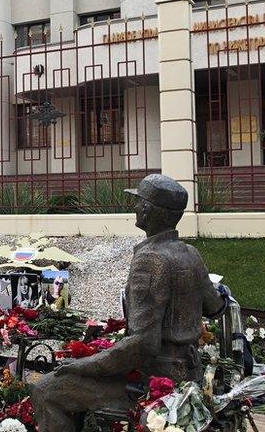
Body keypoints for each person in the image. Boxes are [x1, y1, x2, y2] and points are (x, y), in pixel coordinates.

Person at [31, 175, 228, 432]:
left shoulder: (150, 260)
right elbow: (215, 307)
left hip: (154, 382)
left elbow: (143, 344)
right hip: (191, 371)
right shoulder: (190, 253)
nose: (134, 208)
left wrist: (86, 365)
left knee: (46, 390)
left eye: (137, 202)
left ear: (146, 210)